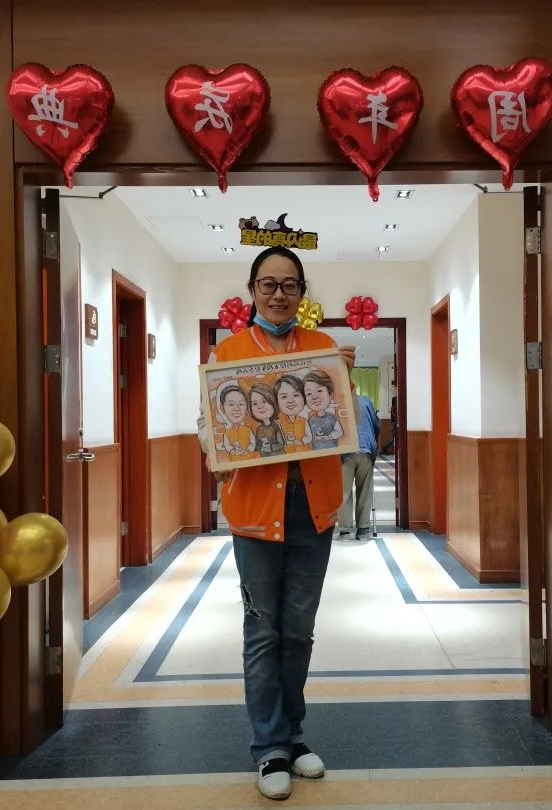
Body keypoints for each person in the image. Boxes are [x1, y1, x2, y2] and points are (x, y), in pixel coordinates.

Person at [197, 246, 355, 800]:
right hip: (254, 511)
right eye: (269, 284)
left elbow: (337, 423)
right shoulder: (229, 354)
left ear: (302, 293)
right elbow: (209, 426)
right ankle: (268, 747)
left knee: (299, 629)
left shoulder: (323, 348)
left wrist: (342, 384)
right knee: (263, 630)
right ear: (253, 291)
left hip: (313, 508)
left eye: (290, 285)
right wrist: (216, 447)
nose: (279, 294)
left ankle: (293, 734)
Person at [337, 392, 381, 540]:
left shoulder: (338, 401)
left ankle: (345, 532)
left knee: (344, 491)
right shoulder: (366, 401)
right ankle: (363, 530)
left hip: (345, 451)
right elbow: (376, 424)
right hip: (366, 449)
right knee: (365, 490)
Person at [303, 369, 343, 450]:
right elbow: (308, 436)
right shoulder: (310, 420)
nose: (314, 397)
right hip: (316, 453)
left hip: (332, 451)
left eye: (319, 390)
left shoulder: (331, 418)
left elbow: (340, 432)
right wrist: (305, 439)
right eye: (309, 393)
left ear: (330, 395)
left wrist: (329, 437)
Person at [276, 374, 312, 453]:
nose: (290, 400)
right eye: (284, 397)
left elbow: (309, 436)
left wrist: (301, 441)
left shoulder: (304, 421)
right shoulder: (278, 424)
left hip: (304, 453)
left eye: (296, 395)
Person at [249, 383, 286, 458]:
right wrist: (255, 448)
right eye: (255, 404)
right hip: (264, 458)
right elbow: (258, 445)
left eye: (264, 401)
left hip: (278, 457)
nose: (260, 406)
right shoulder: (259, 429)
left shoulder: (275, 426)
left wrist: (271, 448)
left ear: (272, 402)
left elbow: (282, 444)